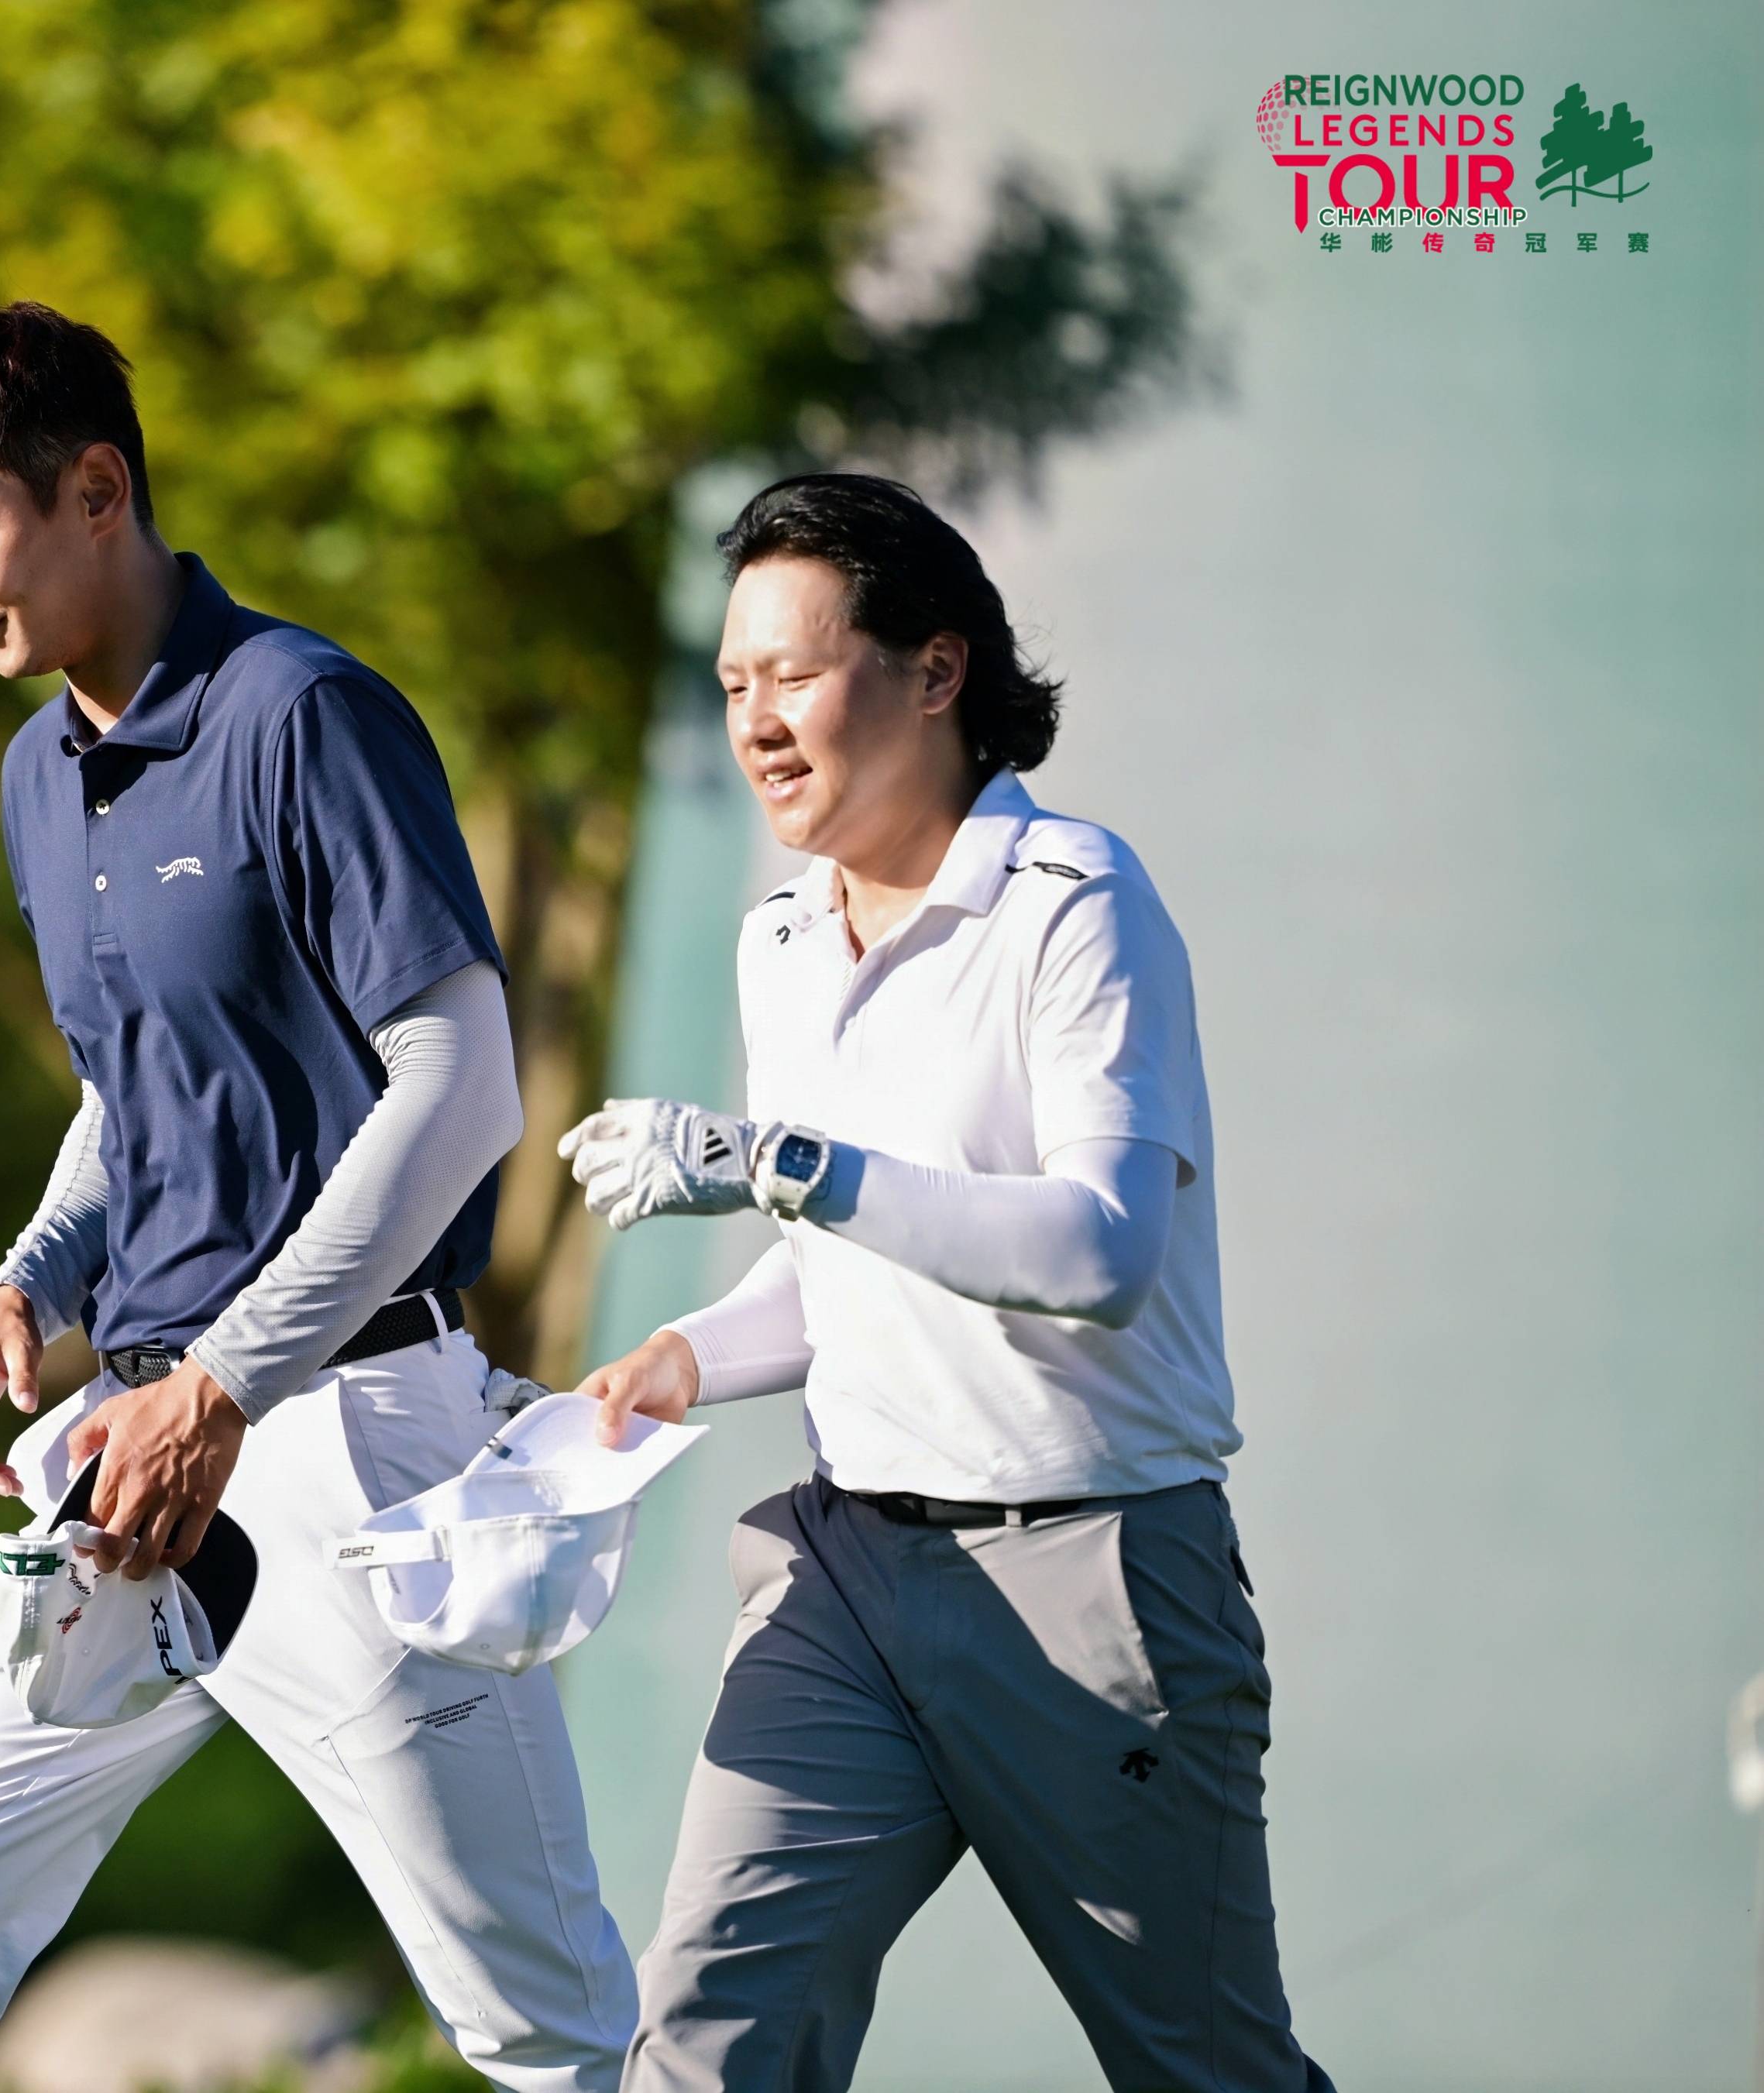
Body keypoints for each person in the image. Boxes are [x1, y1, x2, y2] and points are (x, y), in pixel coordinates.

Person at [0, 302, 638, 2093]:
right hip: (129, 1459)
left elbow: (465, 1086)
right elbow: (130, 1091)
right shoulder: (32, 777)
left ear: (98, 490)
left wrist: (226, 1384)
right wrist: (25, 1280)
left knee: (546, 2025)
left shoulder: (304, 713)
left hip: (350, 1444)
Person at [557, 474, 1332, 2092]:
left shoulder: (1082, 903)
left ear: (935, 669)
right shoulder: (782, 936)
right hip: (849, 1573)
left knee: (1212, 2074)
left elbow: (1096, 1251)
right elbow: (846, 1256)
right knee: (703, 2038)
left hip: (1098, 1580)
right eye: (732, 684)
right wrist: (689, 1354)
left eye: (795, 672)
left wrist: (788, 1164)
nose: (756, 722)